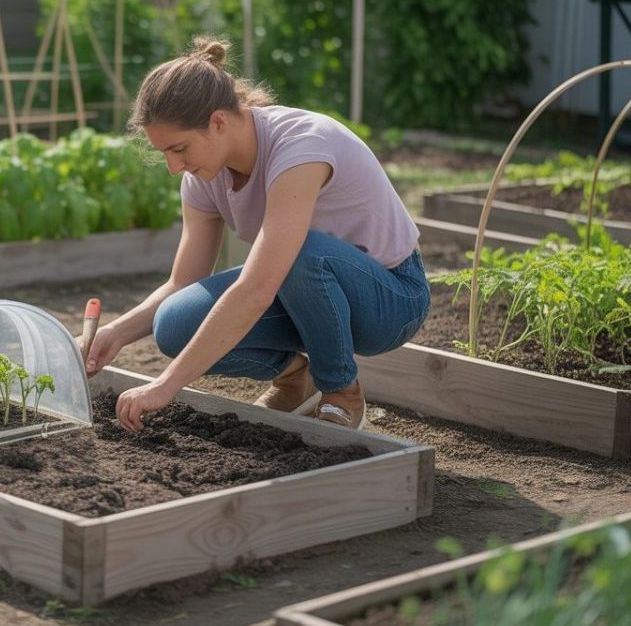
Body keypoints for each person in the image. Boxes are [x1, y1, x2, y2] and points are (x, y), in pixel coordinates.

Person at [83, 37, 430, 432]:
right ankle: (296, 379)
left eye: (178, 149)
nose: (173, 167)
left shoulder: (300, 145)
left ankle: (340, 391)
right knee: (174, 324)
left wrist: (166, 385)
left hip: (391, 300)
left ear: (217, 121)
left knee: (302, 251)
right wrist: (115, 333)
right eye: (164, 153)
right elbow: (182, 282)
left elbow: (258, 287)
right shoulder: (204, 176)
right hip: (306, 297)